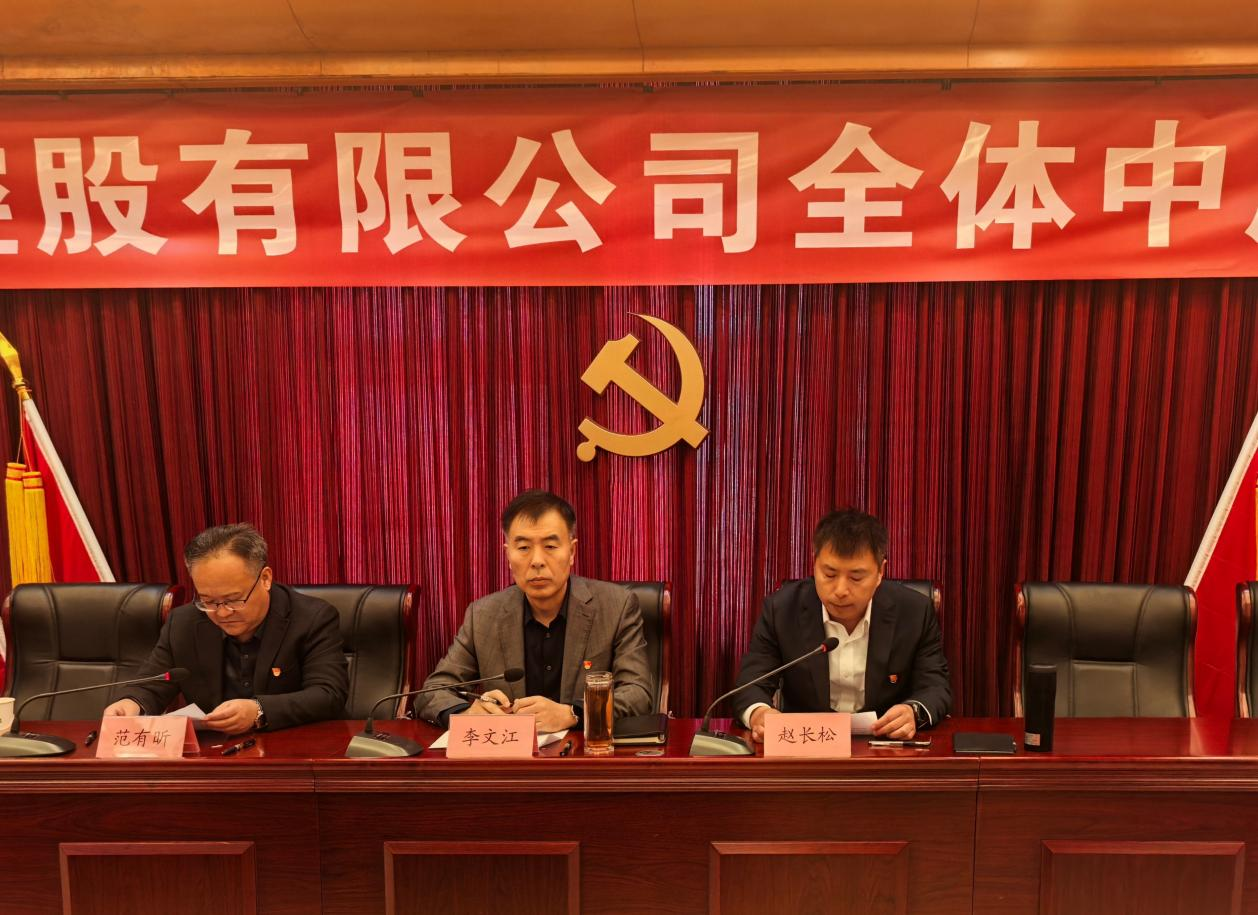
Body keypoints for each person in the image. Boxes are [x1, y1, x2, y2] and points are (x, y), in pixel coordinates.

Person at [415, 489, 652, 733]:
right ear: (508, 555)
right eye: (524, 547)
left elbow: (638, 693)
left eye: (550, 546)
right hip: (510, 753)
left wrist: (573, 713)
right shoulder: (483, 615)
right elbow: (433, 691)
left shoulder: (616, 606)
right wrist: (466, 713)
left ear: (572, 552)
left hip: (583, 751)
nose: (537, 560)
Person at [103, 523, 348, 735]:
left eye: (233, 600)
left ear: (265, 579)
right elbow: (153, 683)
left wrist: (259, 710)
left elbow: (329, 694)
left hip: (292, 750)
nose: (222, 613)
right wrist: (131, 703)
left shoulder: (312, 618)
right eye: (208, 601)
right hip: (214, 755)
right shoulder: (184, 623)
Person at [733, 508, 951, 741]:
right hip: (808, 745)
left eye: (856, 577)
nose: (840, 590)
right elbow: (751, 684)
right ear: (814, 564)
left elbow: (935, 687)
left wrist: (912, 712)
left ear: (880, 572)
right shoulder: (782, 610)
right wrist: (760, 713)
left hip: (884, 745)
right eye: (829, 574)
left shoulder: (914, 611)